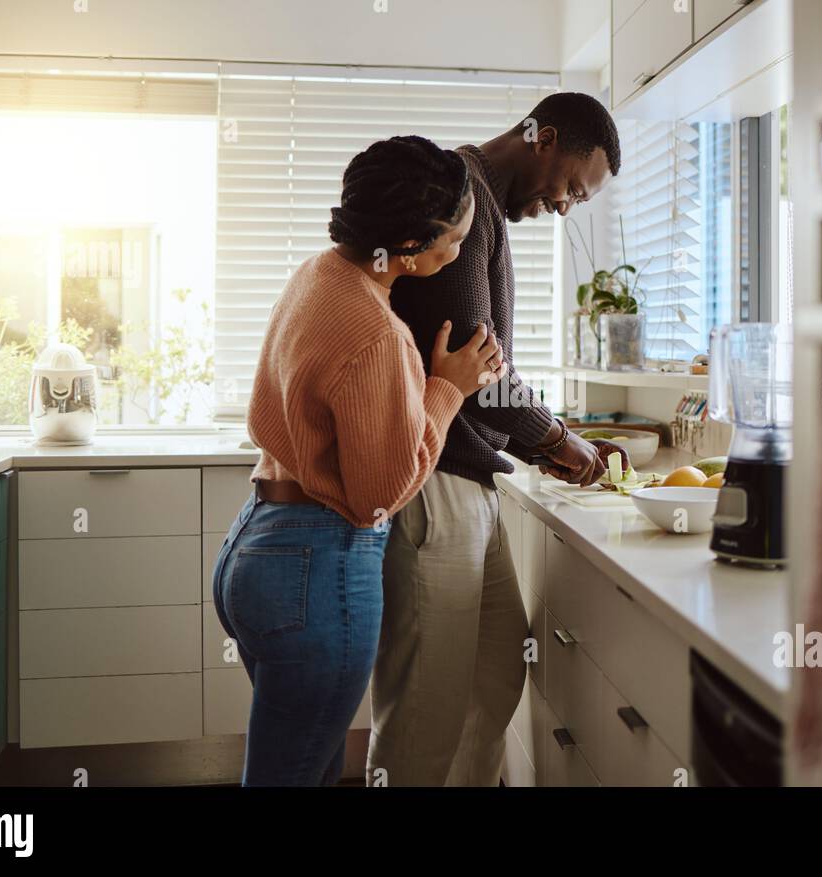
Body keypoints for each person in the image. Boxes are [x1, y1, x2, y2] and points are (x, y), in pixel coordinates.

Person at [212, 135, 505, 786]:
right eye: (453, 243)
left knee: (297, 766)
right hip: (317, 566)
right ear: (408, 249)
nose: (458, 255)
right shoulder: (375, 331)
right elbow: (380, 494)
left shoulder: (318, 274)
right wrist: (447, 389)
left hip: (254, 548)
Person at [372, 92, 626, 786]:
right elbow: (481, 371)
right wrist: (555, 438)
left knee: (493, 674)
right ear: (542, 138)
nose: (567, 205)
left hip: (468, 482)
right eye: (572, 185)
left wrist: (549, 441)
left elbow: (489, 368)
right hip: (437, 483)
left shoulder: (484, 204)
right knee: (425, 708)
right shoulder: (462, 197)